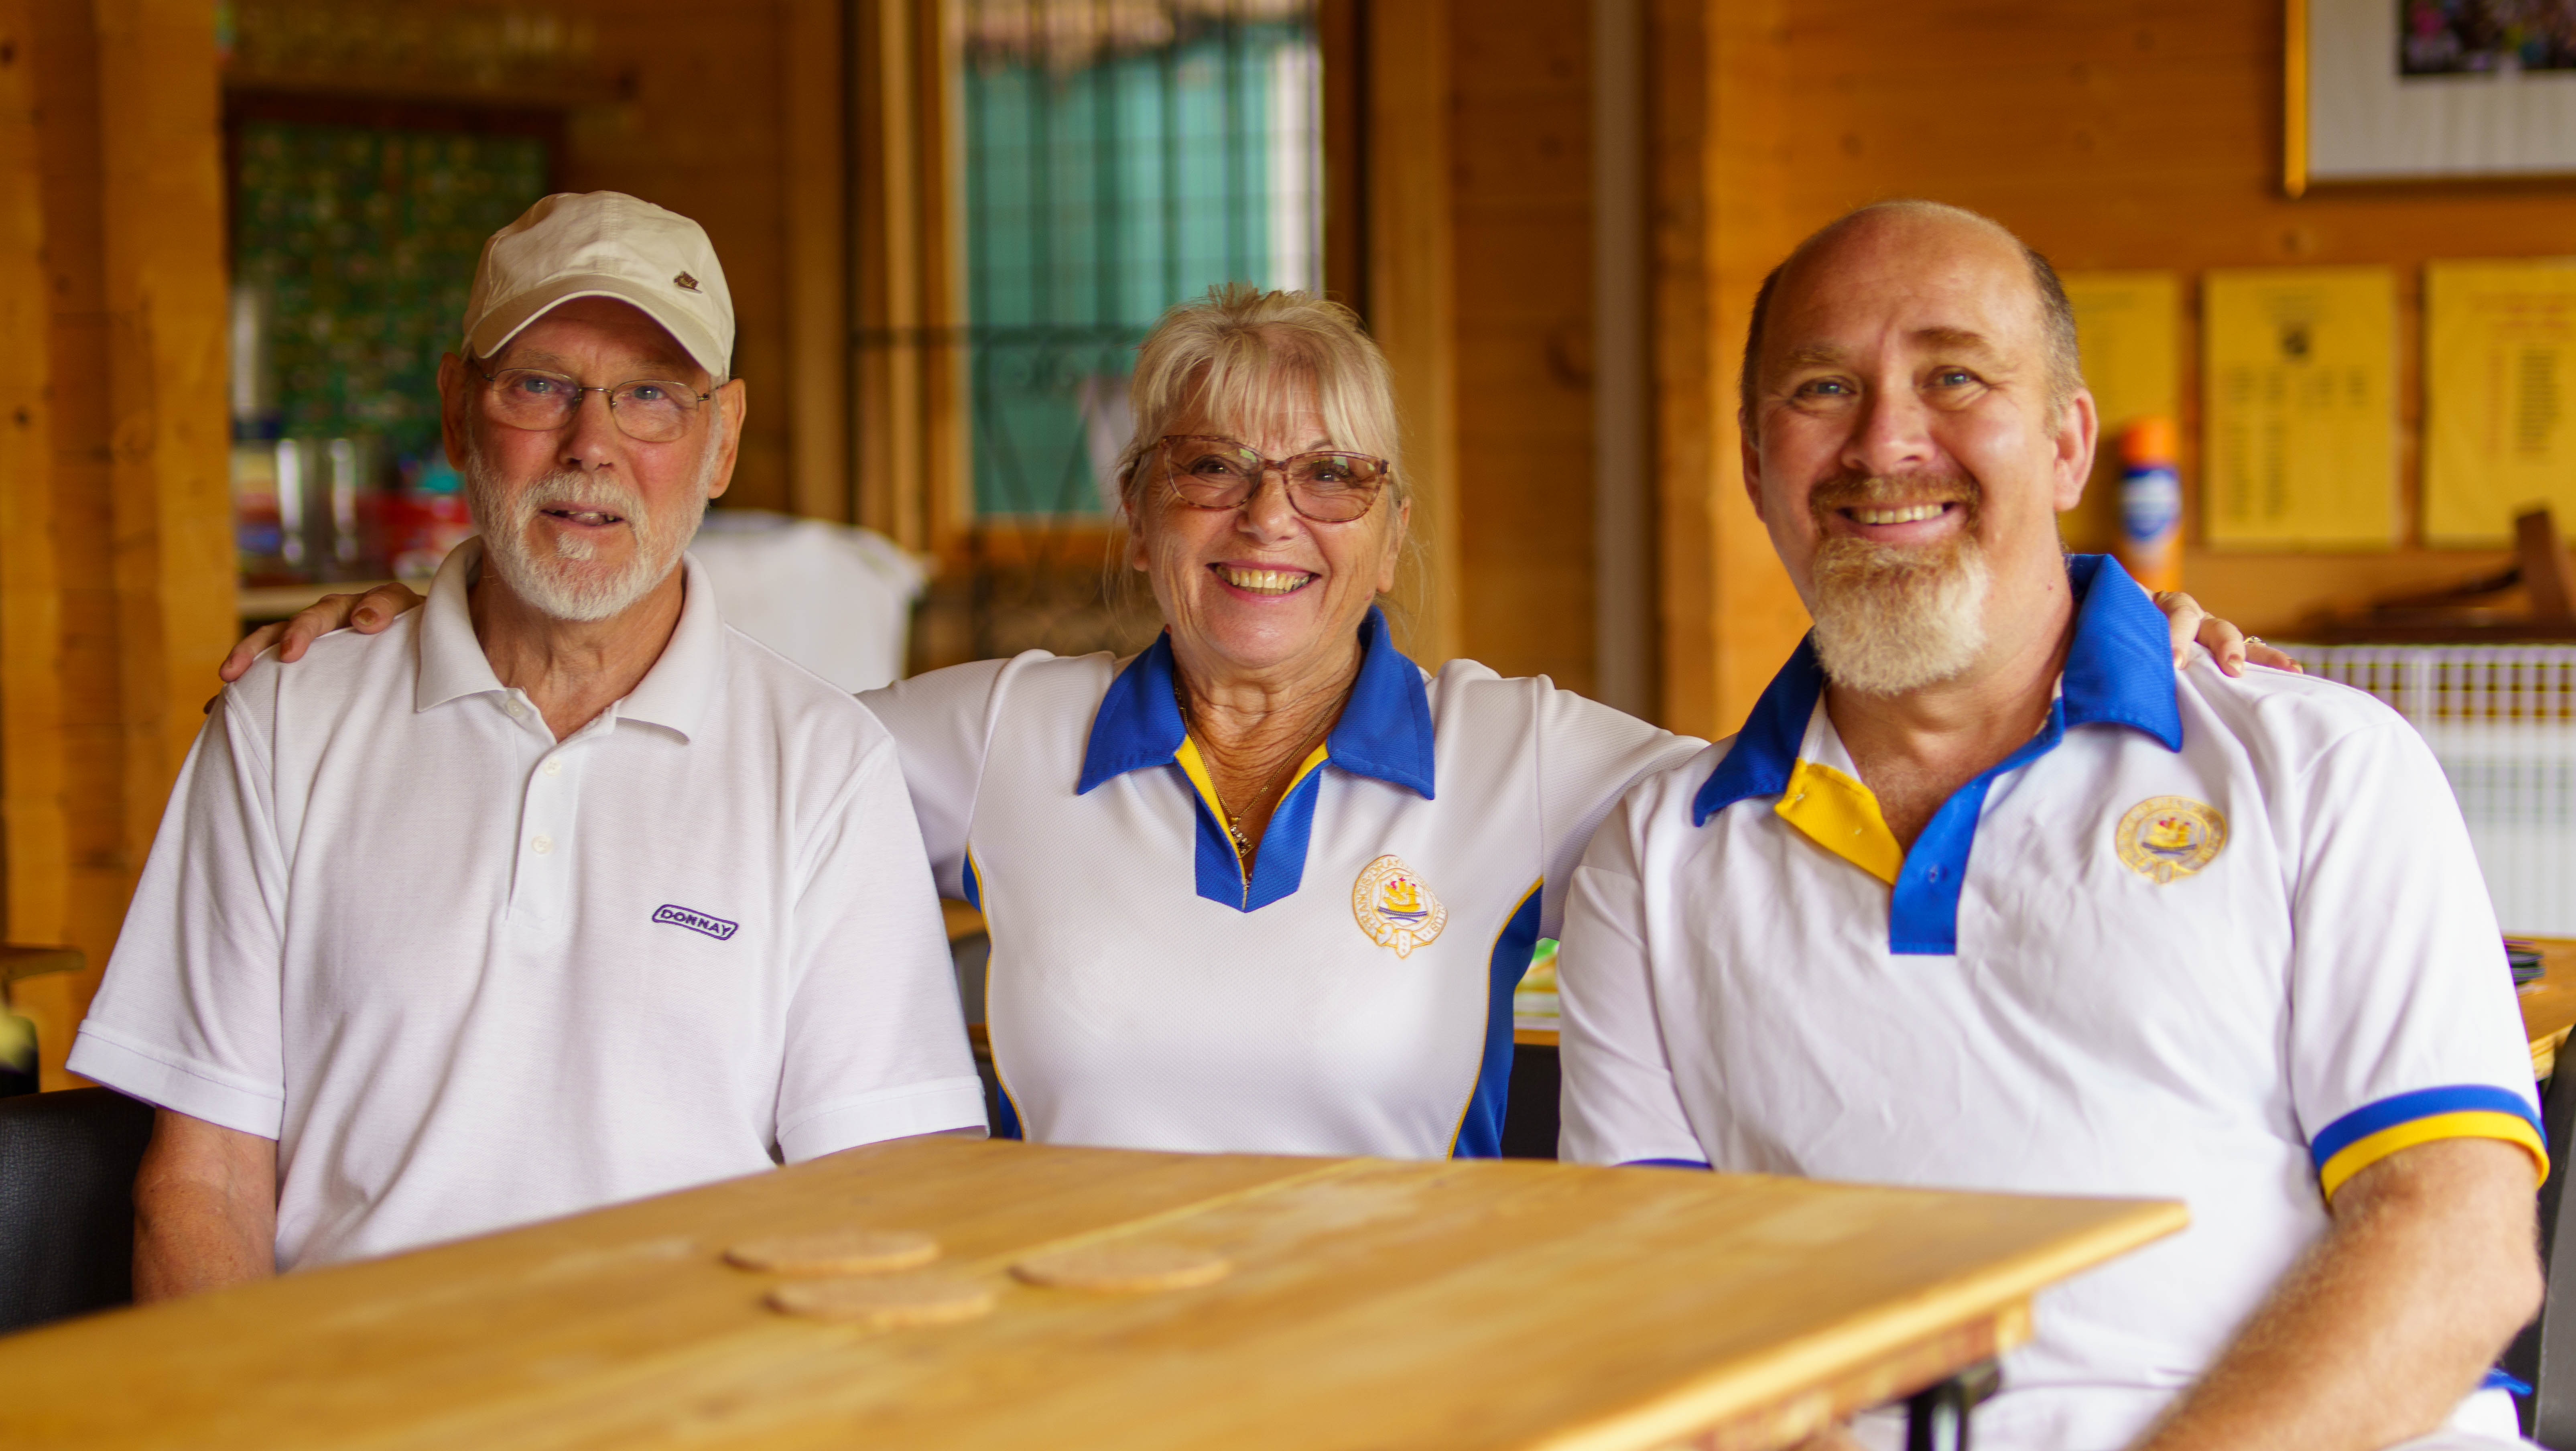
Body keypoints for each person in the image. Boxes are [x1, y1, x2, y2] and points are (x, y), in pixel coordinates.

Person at [226, 284, 2272, 1161]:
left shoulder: (1524, 751)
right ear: (1139, 519)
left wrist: (2121, 646)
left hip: (1423, 1392)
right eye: (1210, 469)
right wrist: (413, 620)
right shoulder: (986, 734)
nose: (1267, 524)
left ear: (1394, 529)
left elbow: (1826, 768)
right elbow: (672, 726)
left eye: (1329, 482)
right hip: (1057, 1391)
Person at [1556, 199, 2545, 1451]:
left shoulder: (2326, 766)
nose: (1886, 442)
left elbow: (2456, 1247)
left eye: (1954, 376)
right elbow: (1666, 1305)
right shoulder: (1651, 859)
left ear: (2069, 446)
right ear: (1756, 465)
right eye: (1822, 388)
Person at [73, 193, 986, 1294]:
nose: (591, 446)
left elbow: (882, 1193)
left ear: (723, 439)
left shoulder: (824, 762)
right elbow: (202, 1184)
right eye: (541, 386)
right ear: (460, 411)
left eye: (652, 395)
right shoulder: (283, 723)